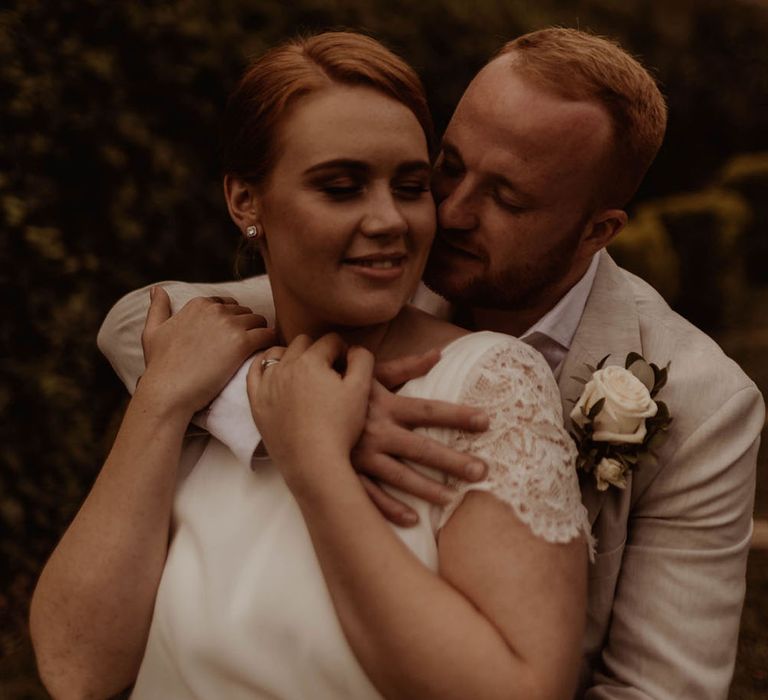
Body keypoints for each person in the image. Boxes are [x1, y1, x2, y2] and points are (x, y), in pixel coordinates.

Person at [98, 27, 765, 699]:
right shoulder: (381, 271)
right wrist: (268, 398)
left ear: (598, 231)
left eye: (506, 197)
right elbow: (141, 321)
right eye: (446, 166)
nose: (449, 211)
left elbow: (657, 692)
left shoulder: (705, 404)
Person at [30, 31, 592, 700]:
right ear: (246, 201)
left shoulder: (487, 382)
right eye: (341, 187)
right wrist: (162, 400)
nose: (389, 220)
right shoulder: (201, 375)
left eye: (410, 186)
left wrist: (319, 467)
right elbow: (77, 672)